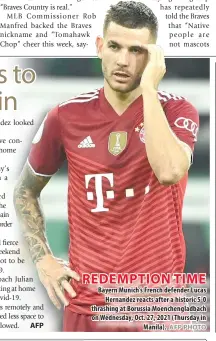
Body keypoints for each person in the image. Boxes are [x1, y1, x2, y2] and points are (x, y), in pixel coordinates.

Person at [14, 0, 199, 332]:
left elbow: (170, 171)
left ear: (154, 57)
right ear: (100, 47)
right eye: (114, 46)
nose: (123, 60)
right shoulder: (65, 116)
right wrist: (43, 259)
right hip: (88, 309)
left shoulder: (177, 112)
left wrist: (149, 90)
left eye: (137, 50)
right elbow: (25, 190)